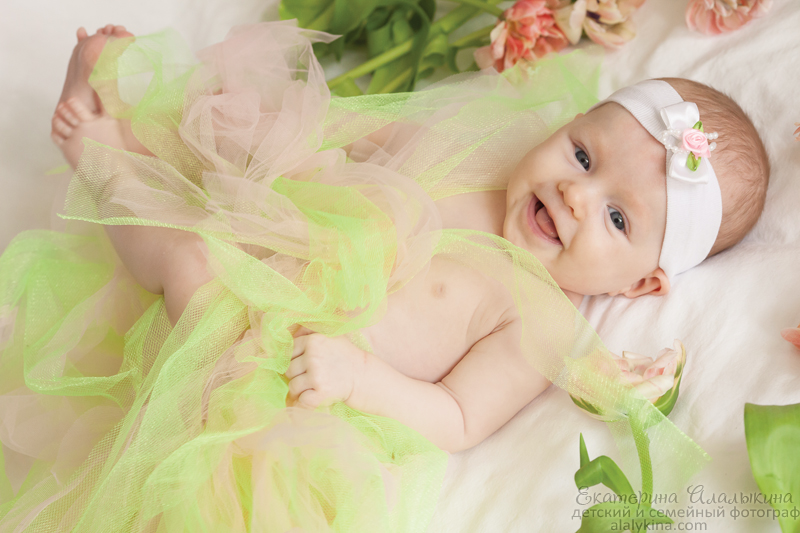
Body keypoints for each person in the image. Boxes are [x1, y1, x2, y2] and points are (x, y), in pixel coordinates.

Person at [2, 20, 768, 532]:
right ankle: (128, 128)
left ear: (640, 286)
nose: (575, 193)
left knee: (190, 265)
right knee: (213, 171)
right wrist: (274, 129)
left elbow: (457, 417)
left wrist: (358, 377)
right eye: (582, 154)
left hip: (283, 362)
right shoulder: (494, 152)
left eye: (618, 218)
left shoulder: (541, 320)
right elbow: (371, 131)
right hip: (277, 226)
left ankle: (103, 165)